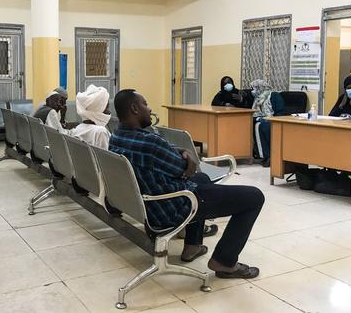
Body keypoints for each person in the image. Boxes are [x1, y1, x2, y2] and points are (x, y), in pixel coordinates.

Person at [110, 89, 264, 279]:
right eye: (145, 103)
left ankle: (192, 246)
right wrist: (186, 157)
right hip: (172, 208)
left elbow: (170, 159)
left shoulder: (116, 137)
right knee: (254, 197)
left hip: (149, 204)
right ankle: (225, 262)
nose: (149, 108)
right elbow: (187, 168)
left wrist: (178, 152)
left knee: (202, 179)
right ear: (134, 109)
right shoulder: (149, 142)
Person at [251, 79, 285, 167]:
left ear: (260, 88)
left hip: (275, 119)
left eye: (254, 88)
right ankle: (262, 155)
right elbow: (255, 112)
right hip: (263, 119)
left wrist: (268, 119)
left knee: (261, 126)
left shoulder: (274, 95)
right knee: (254, 124)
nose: (253, 91)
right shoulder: (257, 98)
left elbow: (281, 111)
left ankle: (268, 156)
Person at [73, 84, 112, 149]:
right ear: (99, 110)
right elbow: (105, 157)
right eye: (106, 108)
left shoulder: (78, 128)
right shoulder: (101, 132)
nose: (109, 112)